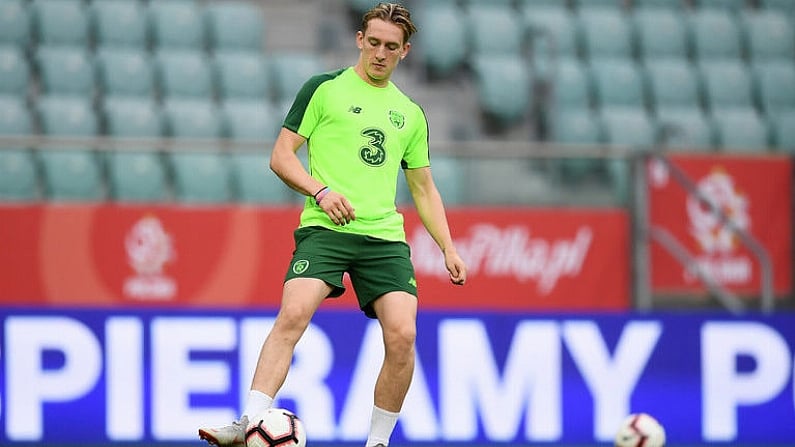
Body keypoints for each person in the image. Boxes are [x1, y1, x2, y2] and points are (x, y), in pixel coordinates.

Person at [198, 3, 467, 446]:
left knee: (403, 335)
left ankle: (378, 443)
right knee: (294, 314)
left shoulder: (410, 113)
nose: (380, 53)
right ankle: (247, 423)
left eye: (392, 47)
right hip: (325, 228)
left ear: (405, 52)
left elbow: (423, 189)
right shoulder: (323, 90)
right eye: (374, 42)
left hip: (383, 237)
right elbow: (281, 156)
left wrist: (448, 248)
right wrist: (320, 191)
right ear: (360, 40)